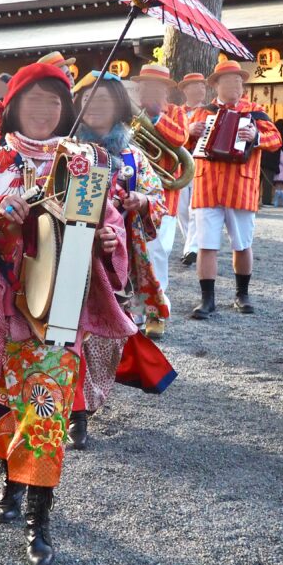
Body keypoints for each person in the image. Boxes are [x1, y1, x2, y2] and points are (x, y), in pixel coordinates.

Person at [0, 59, 134, 565]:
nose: (45, 111)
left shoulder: (85, 161)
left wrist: (109, 240)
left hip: (60, 306)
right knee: (3, 404)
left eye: (55, 102)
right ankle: (8, 474)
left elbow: (106, 222)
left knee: (46, 410)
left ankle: (39, 515)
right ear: (13, 108)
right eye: (34, 101)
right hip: (2, 304)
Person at [70, 70, 167, 447]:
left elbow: (157, 198)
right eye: (88, 99)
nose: (95, 106)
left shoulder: (134, 155)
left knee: (102, 337)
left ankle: (86, 402)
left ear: (119, 107)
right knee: (69, 328)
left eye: (105, 100)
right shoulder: (63, 147)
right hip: (67, 253)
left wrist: (141, 201)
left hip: (118, 260)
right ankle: (75, 410)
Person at [187, 60, 281, 317]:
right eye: (229, 81)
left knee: (242, 244)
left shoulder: (256, 113)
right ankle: (207, 299)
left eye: (239, 81)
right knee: (206, 245)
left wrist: (256, 137)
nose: (236, 85)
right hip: (208, 185)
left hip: (241, 185)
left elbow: (275, 140)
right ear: (216, 84)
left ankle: (242, 294)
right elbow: (185, 149)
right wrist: (189, 132)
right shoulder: (201, 113)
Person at [133, 63, 188, 339]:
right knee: (130, 254)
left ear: (165, 90)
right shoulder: (129, 114)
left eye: (155, 86)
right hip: (131, 196)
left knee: (156, 255)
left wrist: (156, 119)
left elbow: (181, 139)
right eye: (145, 85)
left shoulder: (176, 113)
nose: (148, 90)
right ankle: (134, 314)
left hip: (164, 198)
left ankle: (156, 313)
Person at [177, 72, 207, 266]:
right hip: (179, 163)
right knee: (181, 209)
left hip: (202, 163)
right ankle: (190, 245)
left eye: (203, 86)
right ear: (186, 89)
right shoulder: (176, 112)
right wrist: (188, 129)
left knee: (196, 207)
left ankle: (192, 248)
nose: (201, 89)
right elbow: (170, 133)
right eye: (196, 86)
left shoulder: (210, 111)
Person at [270, 119, 283, 207]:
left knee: (278, 186)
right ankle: (282, 201)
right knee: (280, 187)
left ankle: (278, 201)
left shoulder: (273, 137)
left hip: (275, 168)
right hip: (282, 170)